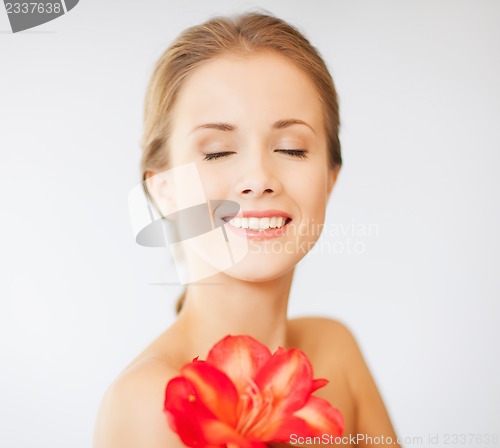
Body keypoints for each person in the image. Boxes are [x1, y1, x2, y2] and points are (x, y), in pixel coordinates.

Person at [93, 12, 399, 448]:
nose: (258, 177)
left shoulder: (337, 348)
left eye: (291, 148)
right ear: (164, 192)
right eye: (217, 152)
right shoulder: (148, 402)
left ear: (330, 180)